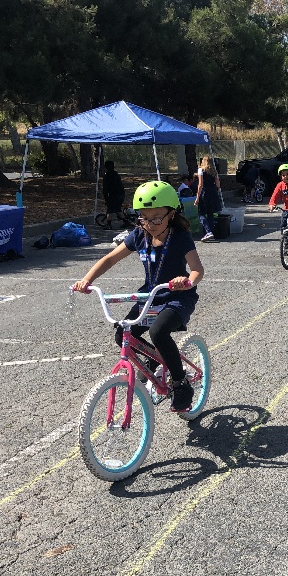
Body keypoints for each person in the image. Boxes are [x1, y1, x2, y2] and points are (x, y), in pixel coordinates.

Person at [72, 181, 204, 413]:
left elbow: (197, 269)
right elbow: (110, 259)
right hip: (150, 296)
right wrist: (87, 280)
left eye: (156, 218)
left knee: (158, 331)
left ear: (171, 214)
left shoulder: (180, 236)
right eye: (144, 217)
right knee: (123, 334)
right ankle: (156, 362)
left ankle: (180, 383)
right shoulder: (139, 235)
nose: (150, 223)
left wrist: (187, 282)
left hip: (177, 296)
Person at [195, 156, 222, 241]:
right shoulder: (214, 171)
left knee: (201, 213)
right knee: (210, 213)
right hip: (213, 192)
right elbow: (218, 184)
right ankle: (211, 232)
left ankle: (208, 231)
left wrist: (197, 197)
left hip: (205, 192)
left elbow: (200, 184)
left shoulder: (201, 170)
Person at [101, 160, 127, 229]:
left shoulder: (107, 176)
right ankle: (126, 221)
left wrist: (106, 197)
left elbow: (106, 188)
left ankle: (108, 224)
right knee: (117, 209)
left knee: (110, 209)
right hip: (121, 194)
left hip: (113, 195)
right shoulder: (116, 175)